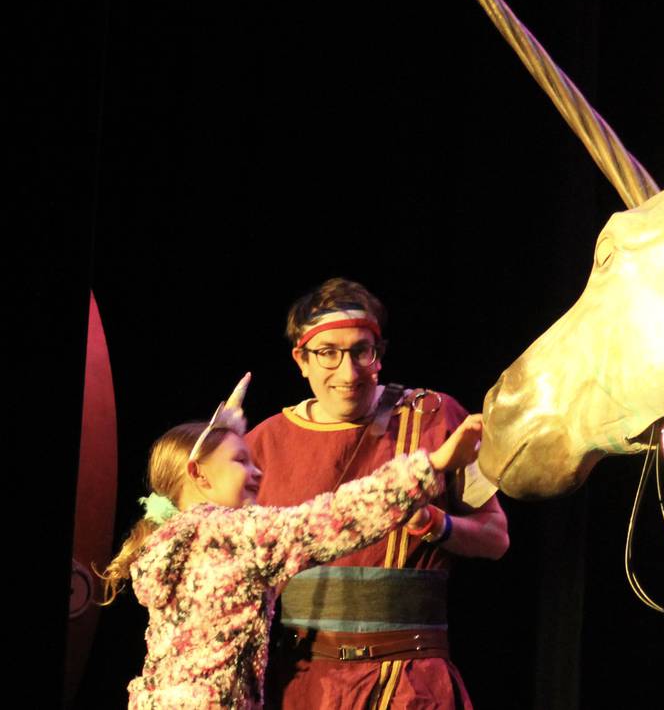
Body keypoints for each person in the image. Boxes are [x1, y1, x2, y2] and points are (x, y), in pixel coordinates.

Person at [100, 373, 483, 709]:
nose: (256, 471)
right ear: (198, 474)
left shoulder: (165, 540)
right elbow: (336, 518)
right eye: (240, 461)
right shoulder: (231, 534)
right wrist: (433, 464)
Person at [246, 278, 509, 709]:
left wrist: (435, 523)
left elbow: (496, 537)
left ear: (379, 354)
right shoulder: (262, 445)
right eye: (328, 353)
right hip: (301, 687)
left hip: (410, 683)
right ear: (301, 359)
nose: (348, 373)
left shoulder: (436, 419)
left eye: (360, 351)